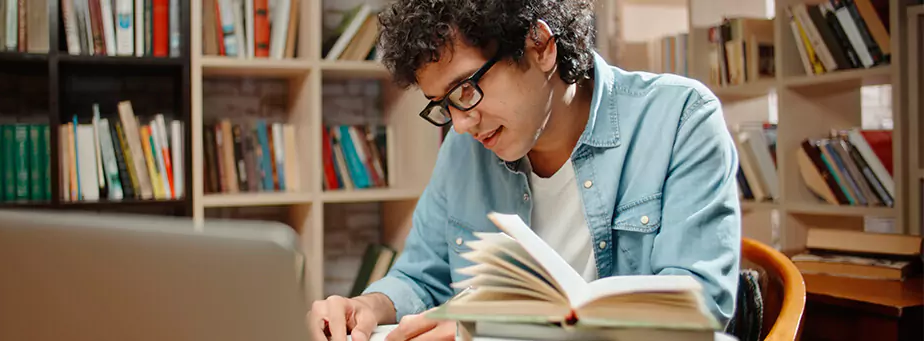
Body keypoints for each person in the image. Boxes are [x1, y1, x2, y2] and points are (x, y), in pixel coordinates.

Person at [306, 0, 742, 340]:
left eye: (465, 90)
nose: (460, 124)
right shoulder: (464, 150)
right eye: (443, 105)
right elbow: (422, 276)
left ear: (540, 45)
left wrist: (498, 329)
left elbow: (698, 304)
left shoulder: (680, 118)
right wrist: (370, 306)